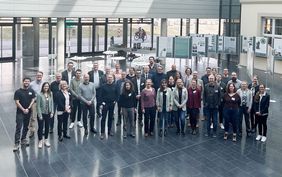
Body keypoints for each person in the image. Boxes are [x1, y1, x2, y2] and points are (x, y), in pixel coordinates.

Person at [13, 77, 36, 152]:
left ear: (30, 83)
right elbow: (17, 102)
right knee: (19, 127)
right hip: (20, 112)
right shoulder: (18, 91)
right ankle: (16, 143)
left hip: (28, 112)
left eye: (28, 81)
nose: (27, 83)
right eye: (25, 81)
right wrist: (23, 109)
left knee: (26, 126)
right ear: (23, 82)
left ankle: (23, 139)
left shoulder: (31, 91)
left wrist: (28, 108)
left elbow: (33, 99)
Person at [100, 74, 119, 140]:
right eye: (108, 77)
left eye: (111, 77)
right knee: (103, 118)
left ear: (113, 78)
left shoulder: (115, 85)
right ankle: (102, 132)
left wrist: (115, 101)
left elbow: (117, 94)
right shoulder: (103, 86)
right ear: (106, 78)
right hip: (105, 104)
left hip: (112, 104)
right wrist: (102, 103)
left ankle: (109, 131)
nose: (110, 78)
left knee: (110, 118)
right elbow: (100, 95)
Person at [36, 82, 54, 148]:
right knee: (40, 127)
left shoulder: (50, 93)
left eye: (47, 86)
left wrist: (52, 112)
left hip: (48, 113)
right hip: (42, 113)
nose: (46, 87)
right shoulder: (39, 94)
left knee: (47, 127)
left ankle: (46, 140)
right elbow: (37, 106)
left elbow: (52, 103)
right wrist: (40, 115)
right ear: (42, 87)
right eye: (45, 86)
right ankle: (40, 140)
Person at [28, 71, 44, 138]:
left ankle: (41, 129)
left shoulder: (44, 83)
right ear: (36, 76)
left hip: (42, 103)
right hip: (34, 103)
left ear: (42, 76)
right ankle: (32, 131)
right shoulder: (31, 84)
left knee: (42, 116)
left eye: (40, 75)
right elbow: (29, 93)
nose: (39, 76)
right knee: (33, 117)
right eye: (38, 75)